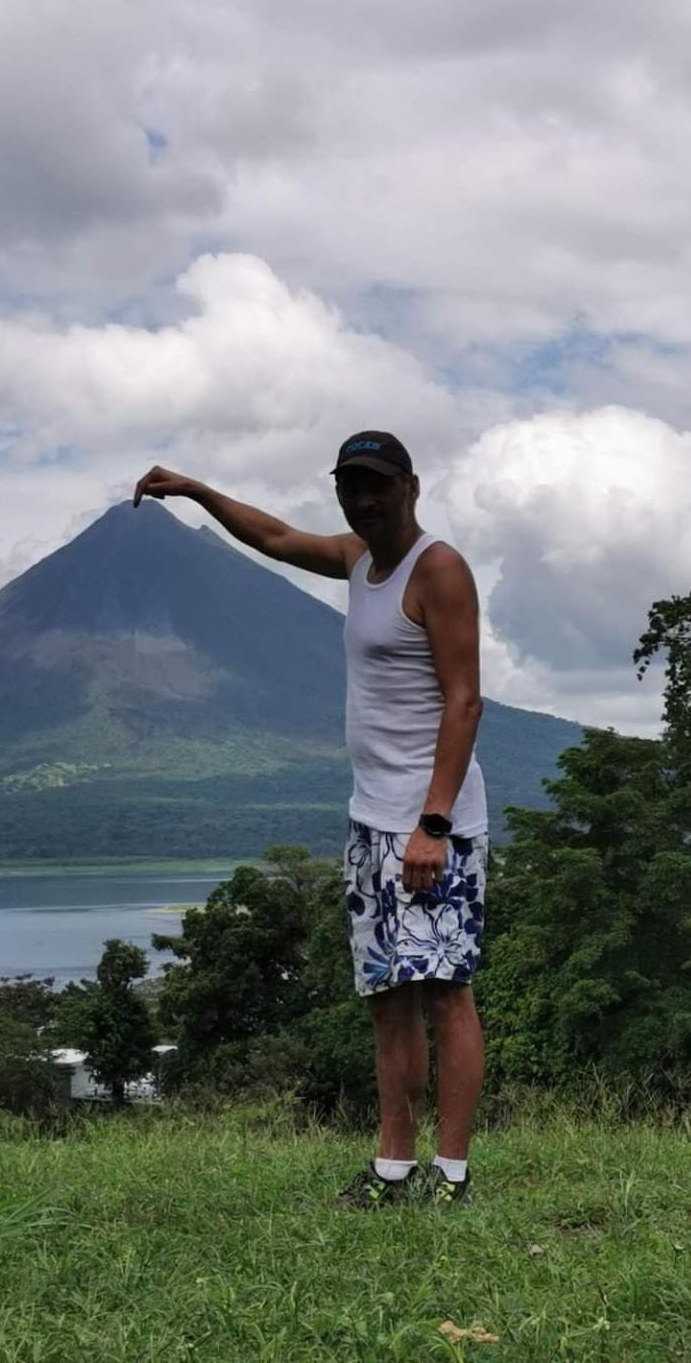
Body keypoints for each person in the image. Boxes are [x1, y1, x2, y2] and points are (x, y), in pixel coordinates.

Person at [132, 430, 487, 1206]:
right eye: (350, 487)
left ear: (411, 487)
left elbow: (464, 700)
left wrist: (434, 824)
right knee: (387, 997)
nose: (363, 501)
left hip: (433, 822)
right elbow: (276, 536)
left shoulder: (438, 569)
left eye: (377, 487)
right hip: (370, 819)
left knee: (445, 989)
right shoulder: (359, 560)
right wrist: (196, 490)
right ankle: (393, 1170)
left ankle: (451, 1175)